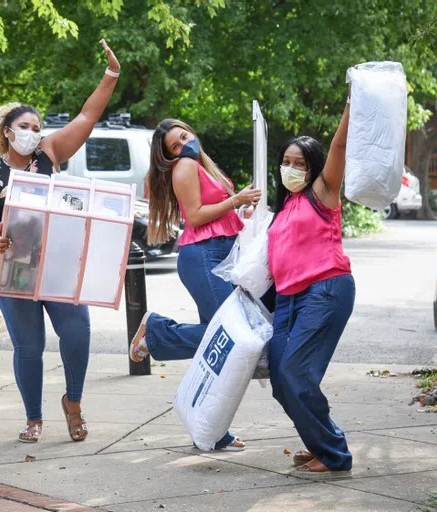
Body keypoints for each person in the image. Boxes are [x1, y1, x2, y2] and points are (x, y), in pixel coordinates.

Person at [0, 39, 121, 444]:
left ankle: (73, 402)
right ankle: (33, 417)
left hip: (57, 261)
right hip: (12, 264)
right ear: (7, 131)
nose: (33, 133)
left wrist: (111, 75)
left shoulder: (50, 153)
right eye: (25, 127)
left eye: (37, 127)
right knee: (29, 346)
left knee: (77, 333)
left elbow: (88, 116)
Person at [129, 119, 262, 451]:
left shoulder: (204, 167)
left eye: (184, 137)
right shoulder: (185, 167)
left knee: (218, 348)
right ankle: (156, 331)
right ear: (171, 156)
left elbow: (217, 215)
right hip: (204, 256)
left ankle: (212, 430)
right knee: (231, 339)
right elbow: (197, 215)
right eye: (175, 146)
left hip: (218, 253)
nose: (184, 145)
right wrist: (235, 201)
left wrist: (241, 213)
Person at [267, 92, 356, 473]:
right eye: (285, 161)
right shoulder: (286, 205)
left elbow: (338, 145)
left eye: (298, 163)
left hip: (325, 289)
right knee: (280, 380)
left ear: (312, 168)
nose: (290, 167)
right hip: (287, 299)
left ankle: (335, 455)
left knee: (296, 373)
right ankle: (319, 442)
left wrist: (352, 104)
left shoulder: (322, 192)